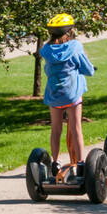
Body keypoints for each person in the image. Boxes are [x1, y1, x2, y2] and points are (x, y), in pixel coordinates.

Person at [39, 13, 95, 178]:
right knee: (76, 128)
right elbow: (87, 68)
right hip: (72, 94)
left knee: (56, 129)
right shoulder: (75, 46)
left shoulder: (46, 50)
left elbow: (48, 70)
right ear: (69, 31)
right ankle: (81, 163)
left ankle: (55, 162)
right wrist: (87, 70)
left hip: (54, 94)